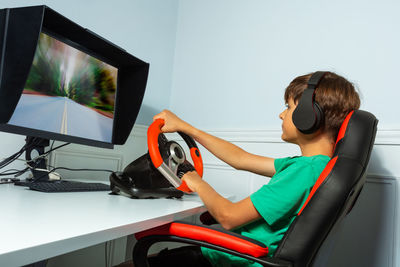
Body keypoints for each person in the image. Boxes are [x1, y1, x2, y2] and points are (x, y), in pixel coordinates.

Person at [137, 71, 361, 267]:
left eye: (288, 107)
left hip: (235, 259)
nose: (281, 115)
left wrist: (194, 180)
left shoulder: (302, 173)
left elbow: (228, 217)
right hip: (237, 253)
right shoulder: (314, 167)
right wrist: (187, 127)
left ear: (309, 115)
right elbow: (240, 159)